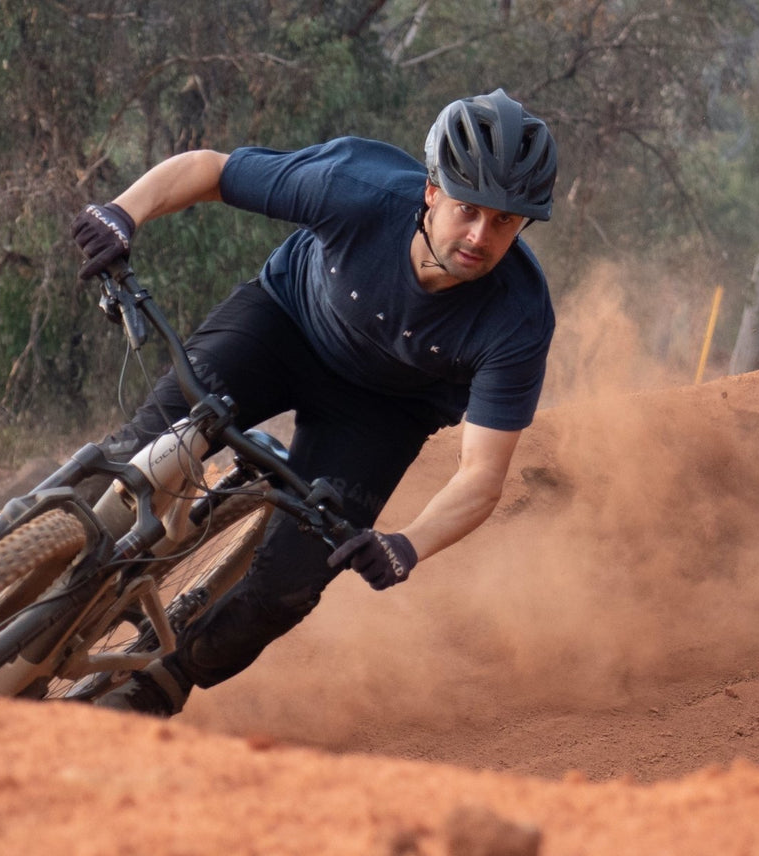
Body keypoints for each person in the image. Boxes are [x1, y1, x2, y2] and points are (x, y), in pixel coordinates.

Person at [70, 88, 558, 716]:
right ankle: (30, 579)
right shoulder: (356, 188)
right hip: (284, 324)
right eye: (468, 208)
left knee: (286, 589)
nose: (479, 236)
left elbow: (482, 476)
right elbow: (212, 171)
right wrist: (123, 212)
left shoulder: (519, 318)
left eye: (505, 221)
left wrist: (407, 544)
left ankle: (161, 684)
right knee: (134, 451)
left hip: (384, 411)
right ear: (432, 192)